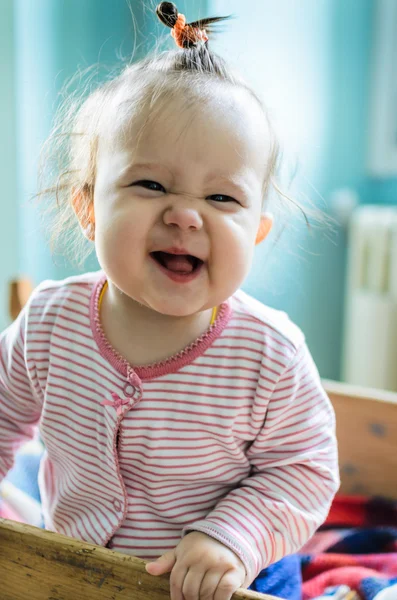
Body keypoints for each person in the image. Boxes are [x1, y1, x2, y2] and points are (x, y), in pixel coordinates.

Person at [0, 3, 339, 599]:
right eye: (150, 184)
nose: (185, 214)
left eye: (221, 197)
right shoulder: (51, 323)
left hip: (230, 575)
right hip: (74, 568)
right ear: (88, 210)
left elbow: (304, 472)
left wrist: (234, 536)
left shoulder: (268, 354)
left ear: (256, 232)